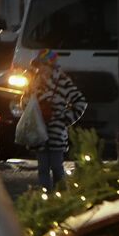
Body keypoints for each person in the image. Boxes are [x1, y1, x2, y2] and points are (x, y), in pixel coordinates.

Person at [23, 50, 87, 191]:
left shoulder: (62, 81)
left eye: (43, 65)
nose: (40, 69)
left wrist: (65, 120)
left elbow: (80, 102)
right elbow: (24, 102)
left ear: (51, 65)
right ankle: (46, 197)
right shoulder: (34, 81)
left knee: (57, 167)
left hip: (56, 132)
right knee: (43, 168)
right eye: (38, 65)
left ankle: (61, 197)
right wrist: (31, 110)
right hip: (39, 131)